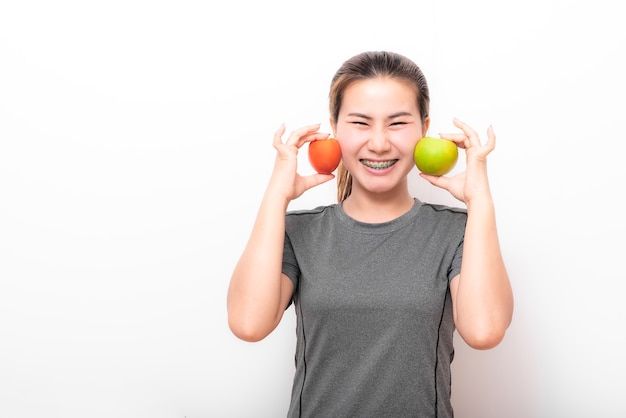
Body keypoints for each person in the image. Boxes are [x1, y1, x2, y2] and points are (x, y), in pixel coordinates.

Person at [227, 50, 514, 418]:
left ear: (424, 129)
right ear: (334, 127)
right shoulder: (300, 232)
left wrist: (480, 201)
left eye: (397, 123)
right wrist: (276, 196)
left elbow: (484, 330)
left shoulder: (456, 231)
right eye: (360, 123)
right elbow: (248, 323)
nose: (379, 143)